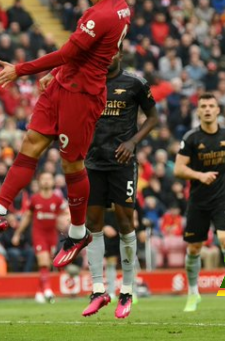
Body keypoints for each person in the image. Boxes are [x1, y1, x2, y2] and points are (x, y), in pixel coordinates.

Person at [0, 0, 131, 271]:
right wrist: (56, 75)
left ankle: (78, 233)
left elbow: (69, 52)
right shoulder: (120, 7)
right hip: (63, 85)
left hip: (82, 96)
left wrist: (21, 70)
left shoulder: (103, 14)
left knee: (71, 164)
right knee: (30, 144)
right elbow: (85, 54)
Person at [83, 51, 159, 319]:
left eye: (112, 50)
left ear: (120, 53)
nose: (107, 55)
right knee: (92, 223)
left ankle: (126, 291)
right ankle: (98, 289)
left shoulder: (135, 83)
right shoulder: (88, 81)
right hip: (93, 162)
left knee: (127, 223)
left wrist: (133, 142)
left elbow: (153, 118)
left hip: (123, 163)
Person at [174, 93, 225, 312]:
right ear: (198, 111)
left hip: (222, 199)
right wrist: (199, 176)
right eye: (203, 106)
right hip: (198, 201)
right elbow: (178, 169)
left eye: (211, 106)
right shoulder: (191, 138)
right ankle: (193, 293)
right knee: (194, 249)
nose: (207, 109)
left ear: (218, 110)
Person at [11, 172, 69, 303]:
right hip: (39, 234)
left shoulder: (57, 199)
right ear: (39, 182)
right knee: (43, 261)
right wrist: (17, 233)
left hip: (52, 235)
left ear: (53, 182)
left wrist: (66, 221)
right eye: (43, 179)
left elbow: (67, 213)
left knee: (47, 264)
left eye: (49, 179)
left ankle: (39, 292)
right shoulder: (35, 199)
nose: (46, 181)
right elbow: (27, 217)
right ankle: (48, 291)